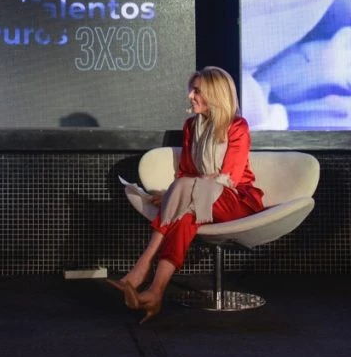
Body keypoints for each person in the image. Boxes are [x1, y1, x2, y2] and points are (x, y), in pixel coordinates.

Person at [109, 66, 264, 323]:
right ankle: (155, 292)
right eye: (191, 90)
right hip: (200, 200)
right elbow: (186, 171)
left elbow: (229, 178)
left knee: (183, 188)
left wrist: (179, 190)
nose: (190, 96)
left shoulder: (237, 126)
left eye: (197, 91)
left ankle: (142, 266)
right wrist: (172, 194)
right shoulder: (191, 126)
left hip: (234, 200)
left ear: (215, 94)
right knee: (184, 220)